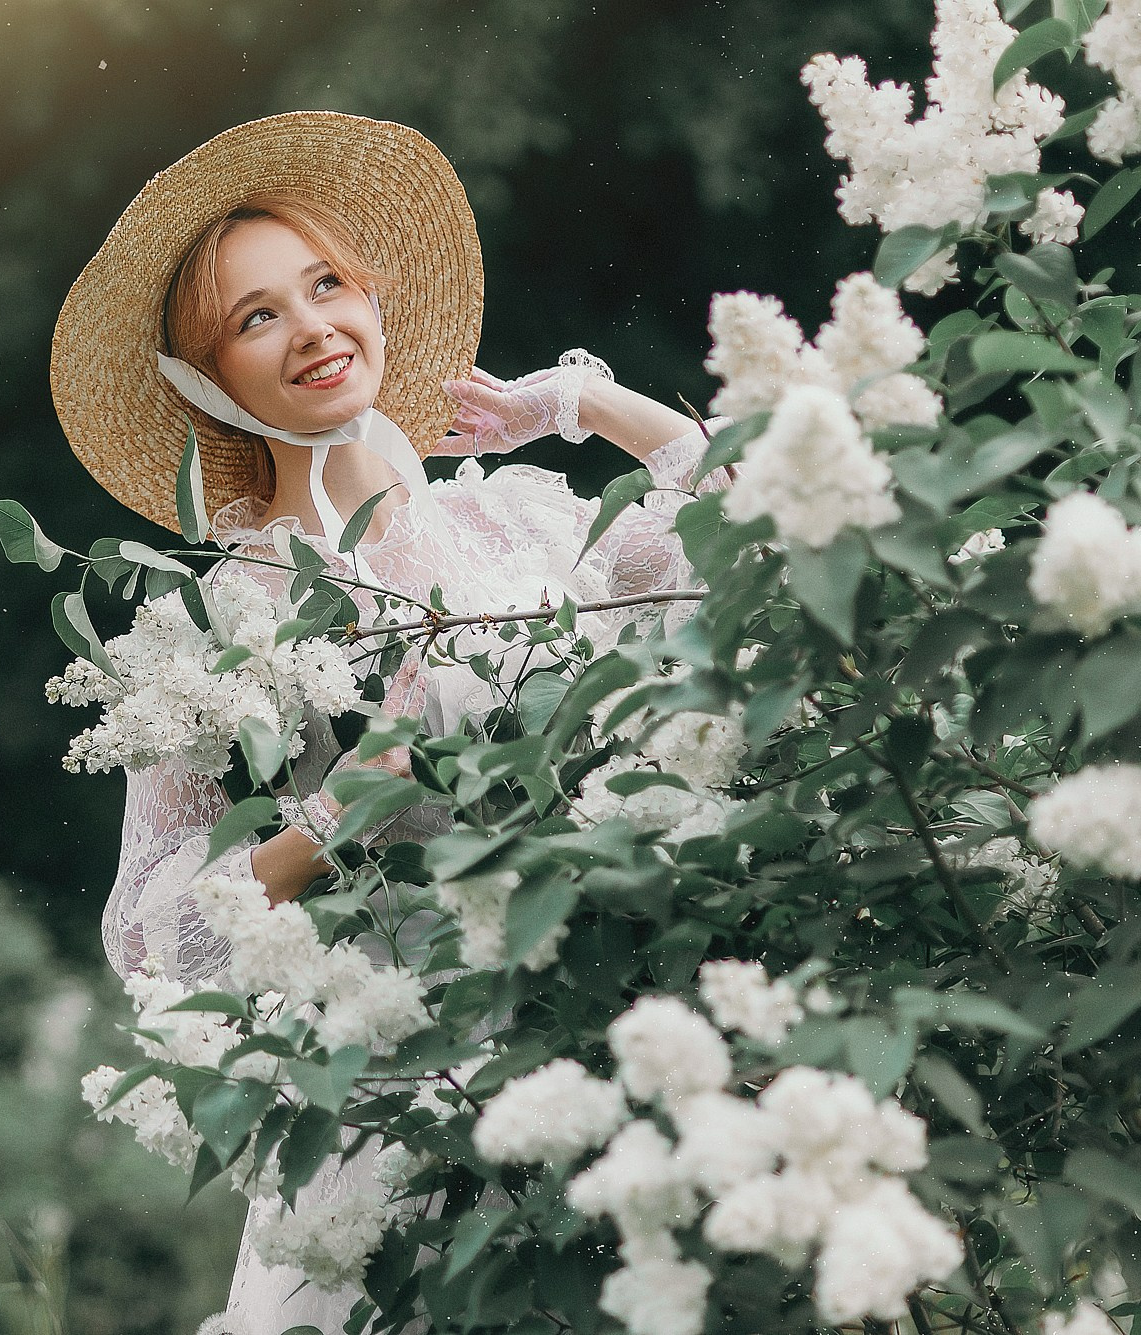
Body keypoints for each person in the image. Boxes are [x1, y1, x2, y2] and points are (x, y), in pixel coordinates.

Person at [49, 111, 721, 1335]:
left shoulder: (512, 520)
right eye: (256, 316)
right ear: (208, 381)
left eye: (322, 286)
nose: (308, 328)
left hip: (624, 1031)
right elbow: (151, 940)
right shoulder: (220, 623)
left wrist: (582, 403)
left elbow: (756, 546)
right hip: (414, 1100)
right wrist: (343, 806)